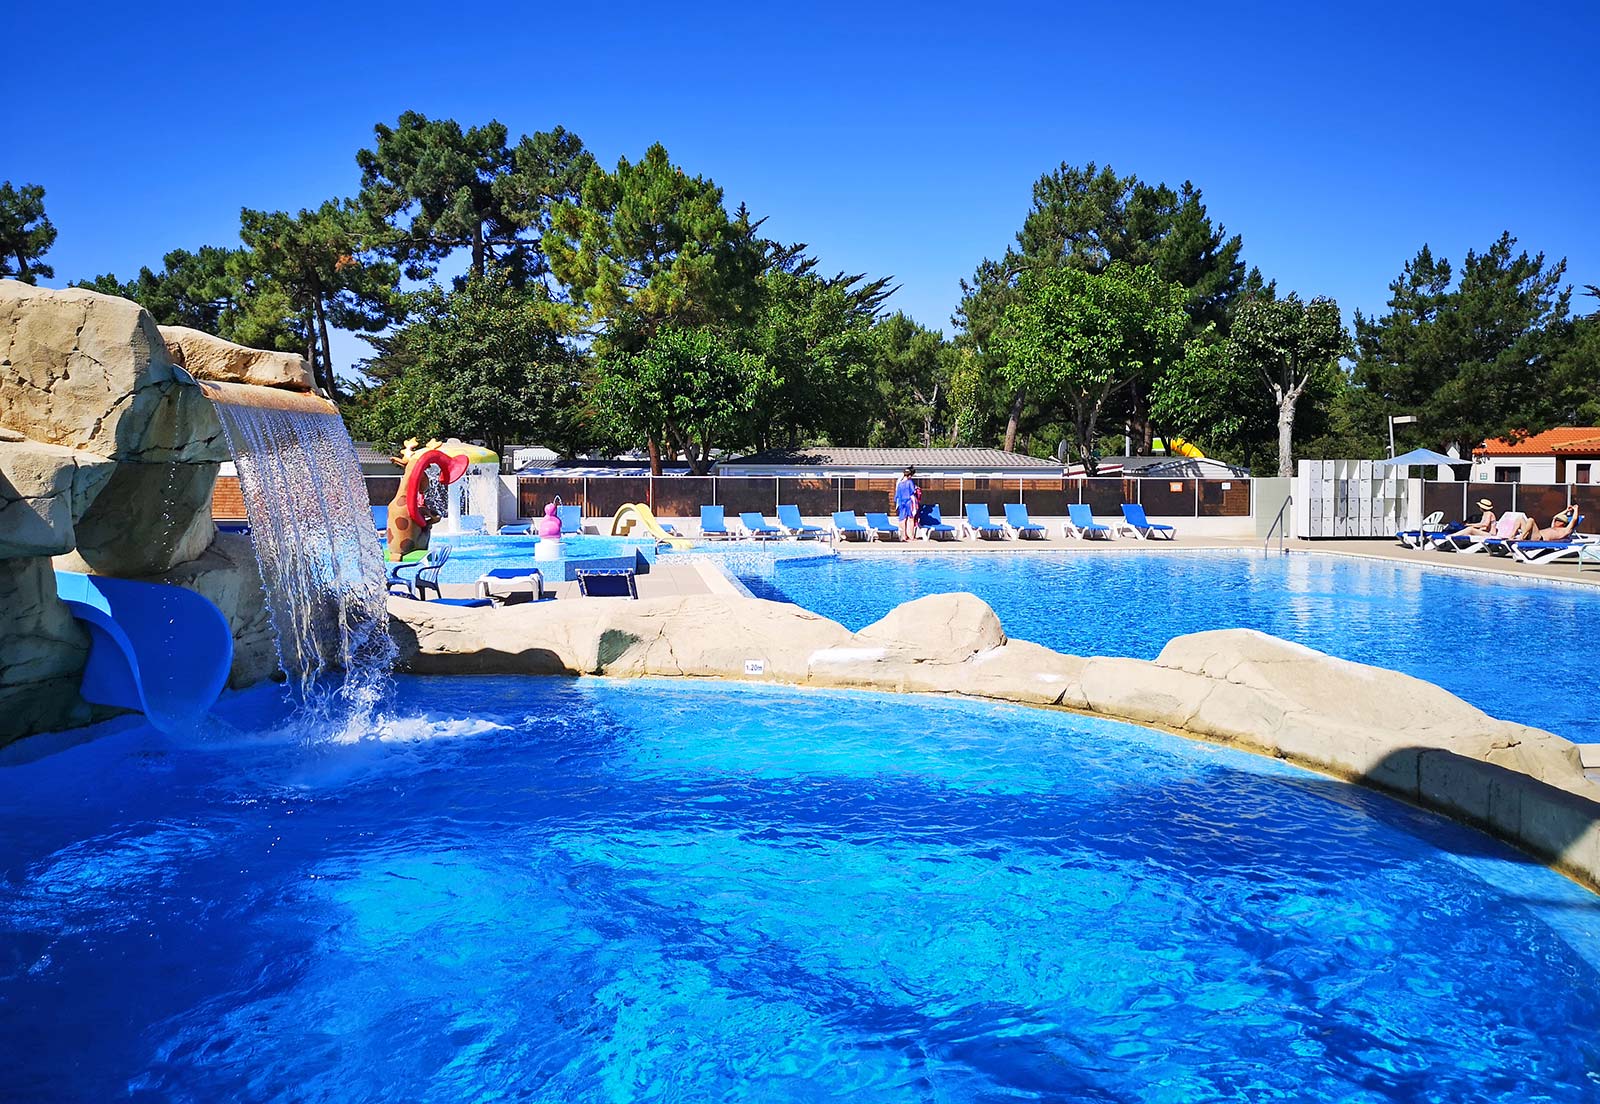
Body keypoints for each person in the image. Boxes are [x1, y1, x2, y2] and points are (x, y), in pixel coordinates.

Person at [1513, 505, 1580, 542]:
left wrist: (1576, 509)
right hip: (1531, 535)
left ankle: (1522, 537)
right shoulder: (1553, 526)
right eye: (1556, 520)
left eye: (1559, 520)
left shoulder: (1566, 530)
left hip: (1539, 538)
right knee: (1520, 519)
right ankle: (1512, 536)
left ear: (1563, 523)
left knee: (1531, 520)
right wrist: (1566, 510)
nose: (1556, 521)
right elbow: (1555, 517)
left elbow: (1574, 519)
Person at [894, 466, 921, 541]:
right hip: (909, 501)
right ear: (909, 475)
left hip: (901, 502)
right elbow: (913, 491)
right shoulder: (909, 482)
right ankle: (912, 536)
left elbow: (897, 495)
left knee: (902, 519)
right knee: (911, 518)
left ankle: (904, 536)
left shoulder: (899, 484)